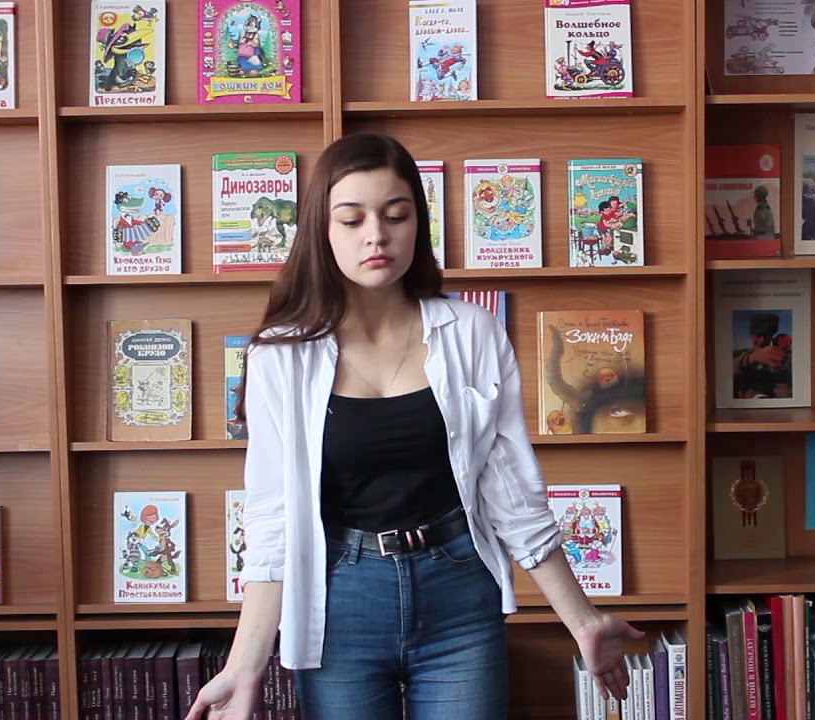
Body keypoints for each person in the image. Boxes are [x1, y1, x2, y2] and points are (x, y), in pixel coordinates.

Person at [185, 133, 643, 720]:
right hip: (340, 599)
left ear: (417, 225)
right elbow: (273, 519)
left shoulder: (473, 333)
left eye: (395, 215)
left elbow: (511, 493)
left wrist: (584, 620)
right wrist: (243, 667)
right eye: (352, 219)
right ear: (322, 232)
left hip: (459, 592)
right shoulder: (281, 356)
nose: (376, 235)